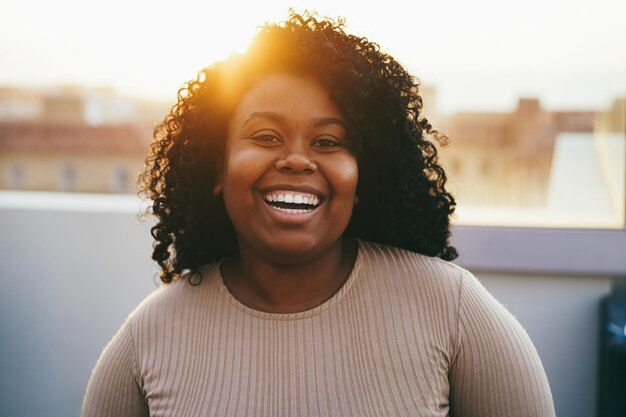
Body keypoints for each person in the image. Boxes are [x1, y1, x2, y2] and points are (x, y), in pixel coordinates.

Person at [82, 12, 555, 417]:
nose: (297, 160)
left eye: (328, 141)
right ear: (216, 168)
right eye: (266, 136)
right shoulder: (150, 336)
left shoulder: (452, 309)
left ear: (362, 175)